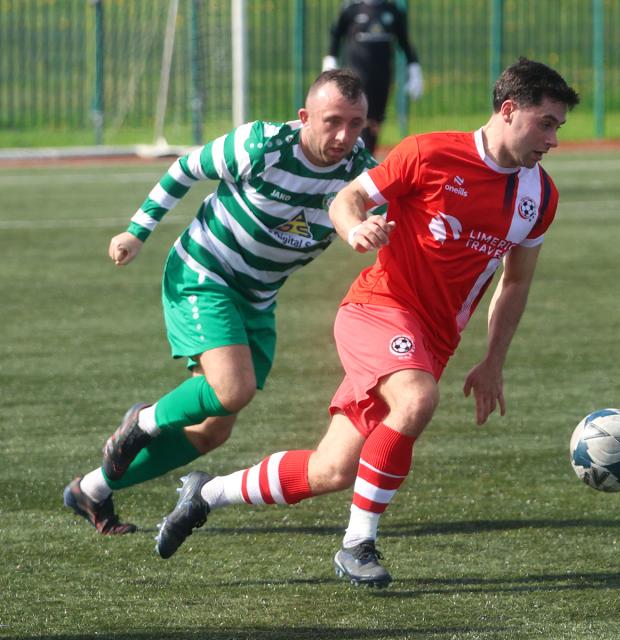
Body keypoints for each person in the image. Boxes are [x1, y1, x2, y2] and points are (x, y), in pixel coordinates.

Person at [153, 58, 580, 589]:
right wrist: (355, 230)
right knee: (417, 400)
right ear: (509, 110)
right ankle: (357, 545)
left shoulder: (540, 195)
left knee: (331, 470)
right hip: (378, 309)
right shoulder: (430, 153)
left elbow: (515, 282)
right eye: (547, 123)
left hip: (434, 338)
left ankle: (206, 492)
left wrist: (493, 360)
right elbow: (346, 197)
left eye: (558, 127)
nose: (553, 139)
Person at [63, 70, 382, 535]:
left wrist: (378, 230)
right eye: (333, 121)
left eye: (356, 124)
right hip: (203, 274)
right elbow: (184, 169)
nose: (344, 135)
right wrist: (137, 231)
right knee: (233, 389)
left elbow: (396, 218)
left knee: (213, 429)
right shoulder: (262, 145)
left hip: (257, 297)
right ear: (304, 117)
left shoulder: (361, 172)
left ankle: (90, 489)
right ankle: (144, 420)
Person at [323, 0, 423, 154]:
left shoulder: (392, 10)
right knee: (358, 115)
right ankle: (352, 155)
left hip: (382, 76)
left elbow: (405, 41)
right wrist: (330, 60)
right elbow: (336, 36)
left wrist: (414, 69)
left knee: (376, 119)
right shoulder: (351, 9)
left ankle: (368, 156)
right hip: (357, 77)